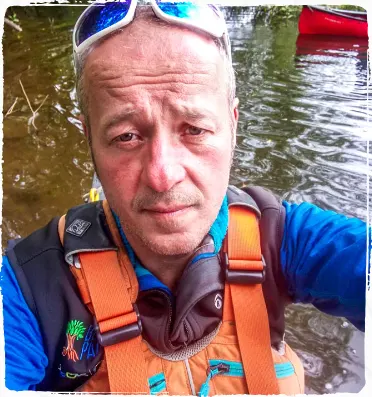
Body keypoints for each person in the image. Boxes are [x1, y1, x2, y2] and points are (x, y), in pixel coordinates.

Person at [2, 1, 367, 395]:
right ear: (89, 138)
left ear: (232, 125)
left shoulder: (282, 240)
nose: (162, 175)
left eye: (193, 128)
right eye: (126, 136)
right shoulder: (30, 288)